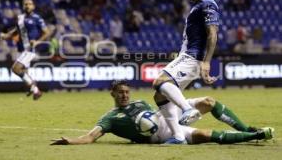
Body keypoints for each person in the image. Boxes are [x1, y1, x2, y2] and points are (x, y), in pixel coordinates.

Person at [51, 80, 274, 145]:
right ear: (112, 94)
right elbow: (90, 137)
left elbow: (161, 110)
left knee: (209, 101)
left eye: (127, 92)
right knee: (206, 136)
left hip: (168, 118)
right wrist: (71, 141)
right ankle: (256, 136)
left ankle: (247, 129)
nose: (125, 96)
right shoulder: (110, 118)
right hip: (161, 135)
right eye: (120, 93)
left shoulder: (139, 101)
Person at [152, 0, 220, 144]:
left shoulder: (208, 5)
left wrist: (206, 62)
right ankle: (178, 137)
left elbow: (212, 34)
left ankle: (187, 109)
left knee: (159, 82)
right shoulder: (199, 5)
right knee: (160, 96)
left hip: (192, 56)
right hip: (187, 55)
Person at [0, 0, 51, 100]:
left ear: (33, 6)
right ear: (23, 6)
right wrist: (6, 35)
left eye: (29, 4)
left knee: (15, 68)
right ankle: (34, 89)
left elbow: (47, 32)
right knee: (25, 72)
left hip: (30, 49)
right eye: (25, 4)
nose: (27, 6)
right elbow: (16, 30)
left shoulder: (37, 18)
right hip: (22, 49)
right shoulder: (20, 18)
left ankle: (35, 88)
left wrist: (37, 41)